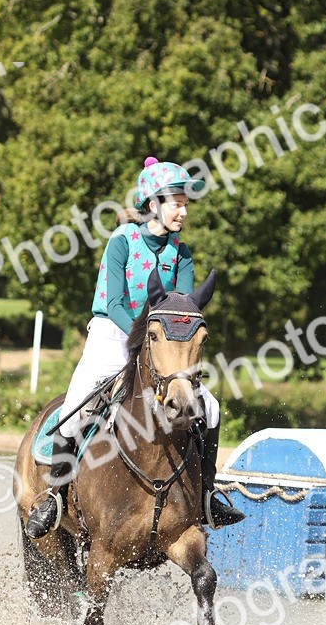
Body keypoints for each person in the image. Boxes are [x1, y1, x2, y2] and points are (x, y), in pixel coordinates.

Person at [26, 156, 244, 538]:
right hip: (112, 334)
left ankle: (207, 494)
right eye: (178, 202)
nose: (184, 210)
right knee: (76, 404)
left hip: (162, 344)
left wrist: (164, 347)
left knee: (209, 405)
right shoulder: (120, 242)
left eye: (186, 203)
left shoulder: (182, 252)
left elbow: (182, 309)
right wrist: (141, 342)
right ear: (154, 203)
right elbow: (113, 303)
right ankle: (54, 496)